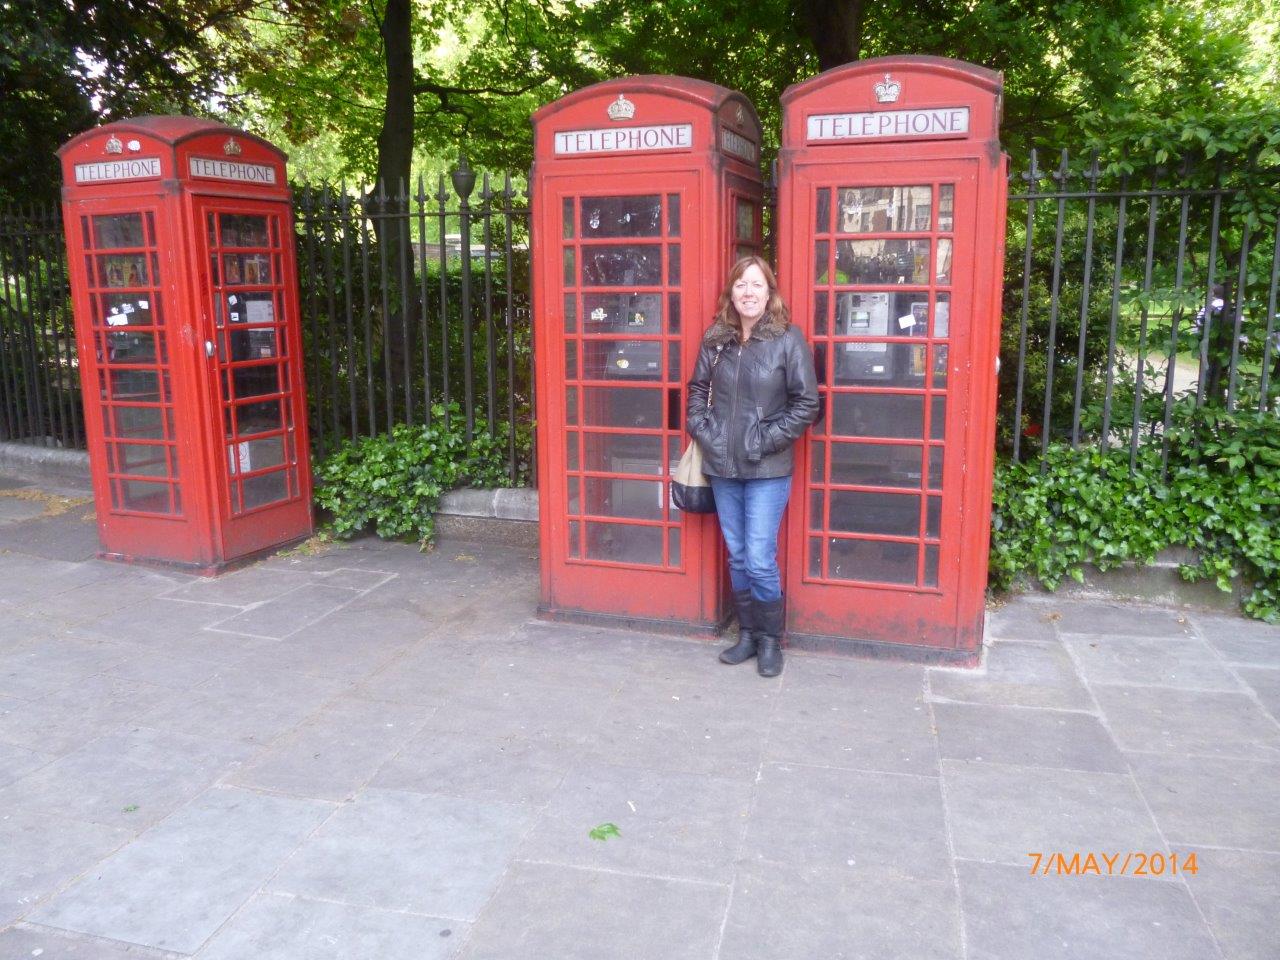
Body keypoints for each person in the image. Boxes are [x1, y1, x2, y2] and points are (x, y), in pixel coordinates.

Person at [687, 256, 819, 677]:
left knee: (760, 557)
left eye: (756, 285)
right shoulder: (716, 340)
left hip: (767, 467)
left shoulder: (787, 339)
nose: (748, 292)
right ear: (732, 292)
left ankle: (769, 641)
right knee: (739, 555)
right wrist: (704, 431)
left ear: (769, 293)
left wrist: (763, 439)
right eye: (741, 285)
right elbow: (696, 392)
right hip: (722, 465)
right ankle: (746, 635)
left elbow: (807, 404)